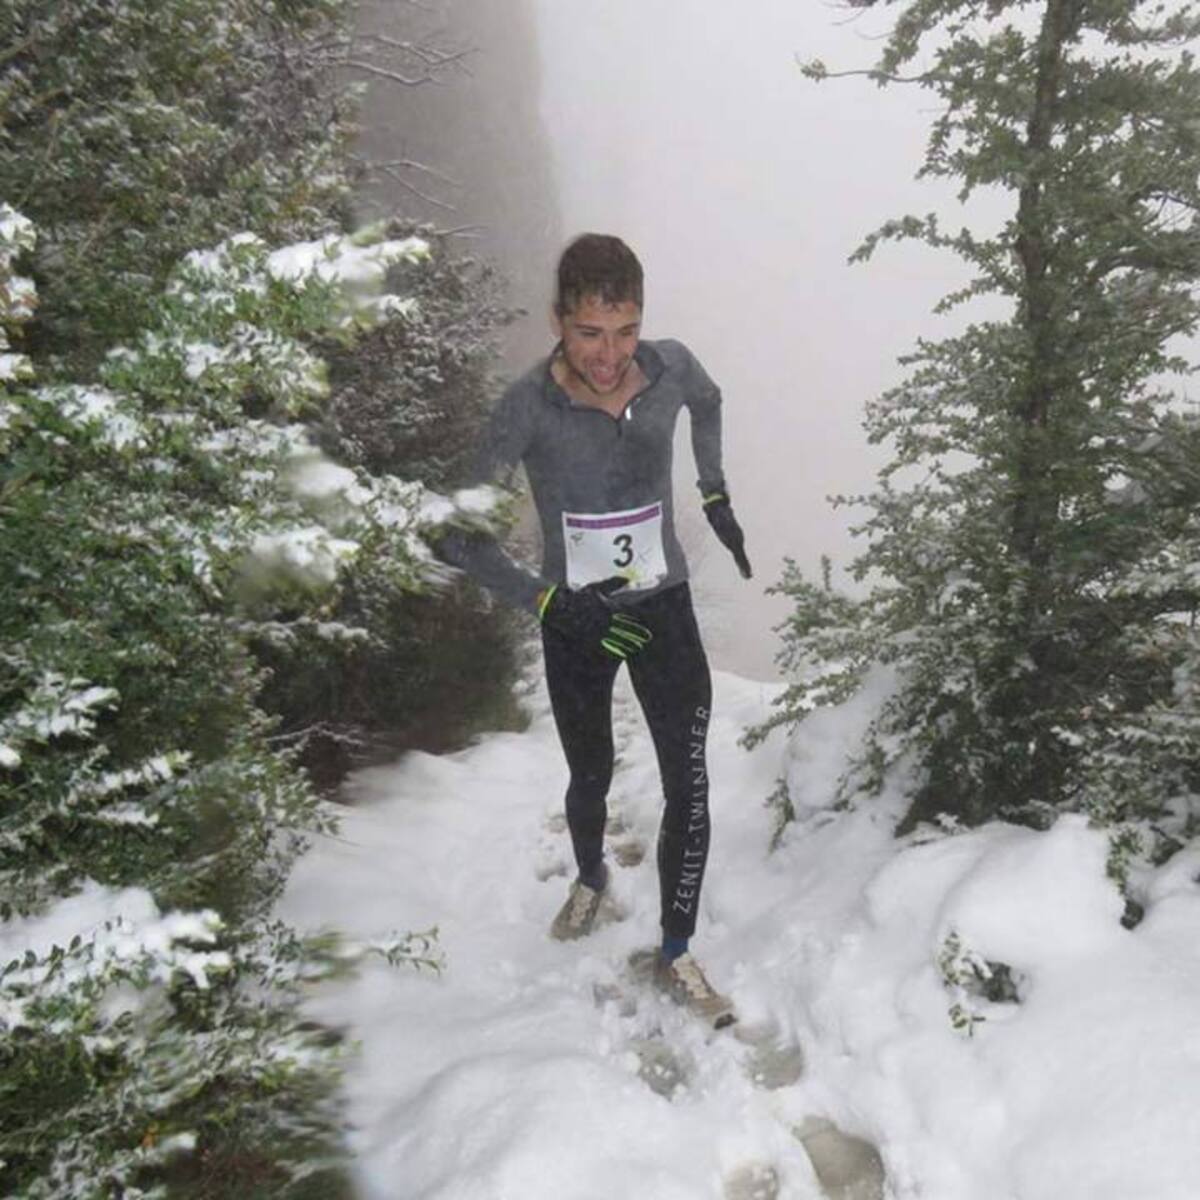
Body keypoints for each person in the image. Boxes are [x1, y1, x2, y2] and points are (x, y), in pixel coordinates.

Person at [437, 233, 752, 1028]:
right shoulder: (525, 408)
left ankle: (676, 949)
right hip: (575, 618)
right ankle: (589, 875)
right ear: (558, 320)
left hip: (663, 605)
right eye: (589, 333)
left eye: (625, 331)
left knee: (690, 777)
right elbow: (455, 532)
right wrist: (544, 602)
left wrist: (713, 492)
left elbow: (710, 401)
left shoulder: (672, 367)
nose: (609, 356)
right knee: (591, 772)